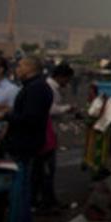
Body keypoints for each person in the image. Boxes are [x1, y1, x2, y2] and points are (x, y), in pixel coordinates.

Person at [0, 56, 53, 222]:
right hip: (25, 143)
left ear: (29, 68)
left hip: (24, 144)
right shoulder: (34, 87)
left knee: (20, 189)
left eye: (20, 65)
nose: (17, 68)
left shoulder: (36, 89)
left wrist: (6, 117)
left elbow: (30, 119)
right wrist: (10, 111)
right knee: (22, 187)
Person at [33, 63, 74, 213]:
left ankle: (45, 201)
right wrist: (67, 108)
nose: (67, 83)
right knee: (46, 170)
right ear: (61, 77)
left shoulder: (51, 87)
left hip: (48, 132)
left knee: (43, 170)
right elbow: (50, 109)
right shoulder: (50, 88)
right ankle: (46, 202)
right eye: (67, 79)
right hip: (46, 134)